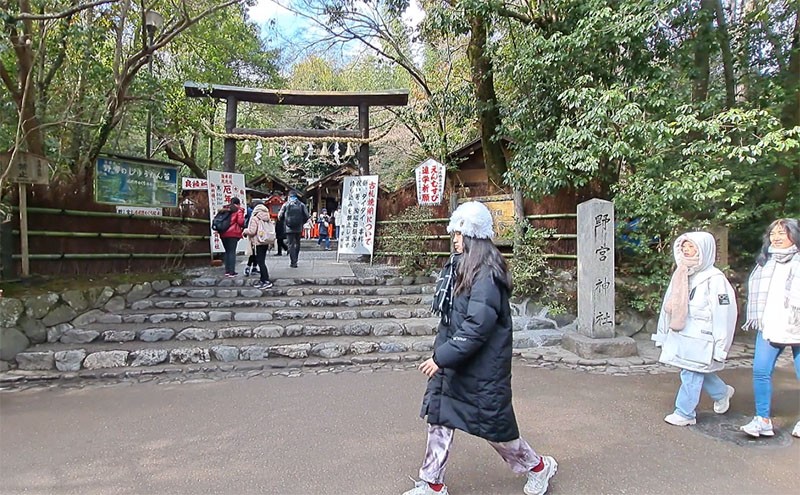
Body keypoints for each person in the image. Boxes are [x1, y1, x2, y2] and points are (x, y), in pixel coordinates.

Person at [402, 201, 557, 495]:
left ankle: (538, 467)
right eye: (455, 234)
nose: (455, 240)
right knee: (439, 420)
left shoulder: (487, 274)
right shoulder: (459, 268)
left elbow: (477, 326)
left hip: (481, 369)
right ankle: (432, 484)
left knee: (495, 430)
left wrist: (441, 357)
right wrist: (445, 356)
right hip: (455, 364)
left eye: (460, 234)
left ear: (474, 236)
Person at [652, 232, 737, 426]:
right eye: (684, 247)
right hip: (682, 334)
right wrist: (663, 334)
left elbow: (724, 315)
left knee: (691, 373)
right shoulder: (682, 274)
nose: (686, 251)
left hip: (703, 338)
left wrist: (721, 346)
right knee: (695, 369)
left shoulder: (715, 279)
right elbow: (669, 306)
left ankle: (685, 413)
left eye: (691, 247)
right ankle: (722, 392)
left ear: (704, 250)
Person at [739, 218, 800, 438]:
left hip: (796, 327)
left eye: (782, 233)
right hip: (770, 324)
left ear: (794, 235)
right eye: (773, 233)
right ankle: (762, 419)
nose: (776, 237)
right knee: (761, 371)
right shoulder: (765, 262)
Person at [242, 203, 275, 289]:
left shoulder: (255, 218)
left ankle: (266, 281)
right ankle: (262, 280)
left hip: (258, 242)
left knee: (261, 262)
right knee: (262, 261)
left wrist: (245, 231)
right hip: (265, 241)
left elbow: (252, 231)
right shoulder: (267, 217)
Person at [277, 191, 310, 268]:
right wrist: (301, 222)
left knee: (291, 244)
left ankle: (293, 262)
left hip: (289, 228)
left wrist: (284, 222)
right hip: (298, 227)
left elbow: (280, 216)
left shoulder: (285, 204)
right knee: (297, 243)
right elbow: (306, 216)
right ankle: (296, 259)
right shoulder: (301, 205)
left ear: (289, 196)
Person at [219, 197, 245, 278]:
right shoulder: (238, 210)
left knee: (227, 251)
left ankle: (227, 271)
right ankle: (232, 272)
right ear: (238, 203)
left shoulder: (224, 209)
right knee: (232, 252)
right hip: (233, 233)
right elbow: (241, 222)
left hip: (223, 232)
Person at [243, 199, 260, 276]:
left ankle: (250, 267)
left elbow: (251, 230)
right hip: (260, 238)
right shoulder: (261, 216)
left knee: (253, 253)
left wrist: (245, 231)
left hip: (254, 238)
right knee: (255, 254)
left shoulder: (253, 215)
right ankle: (252, 267)